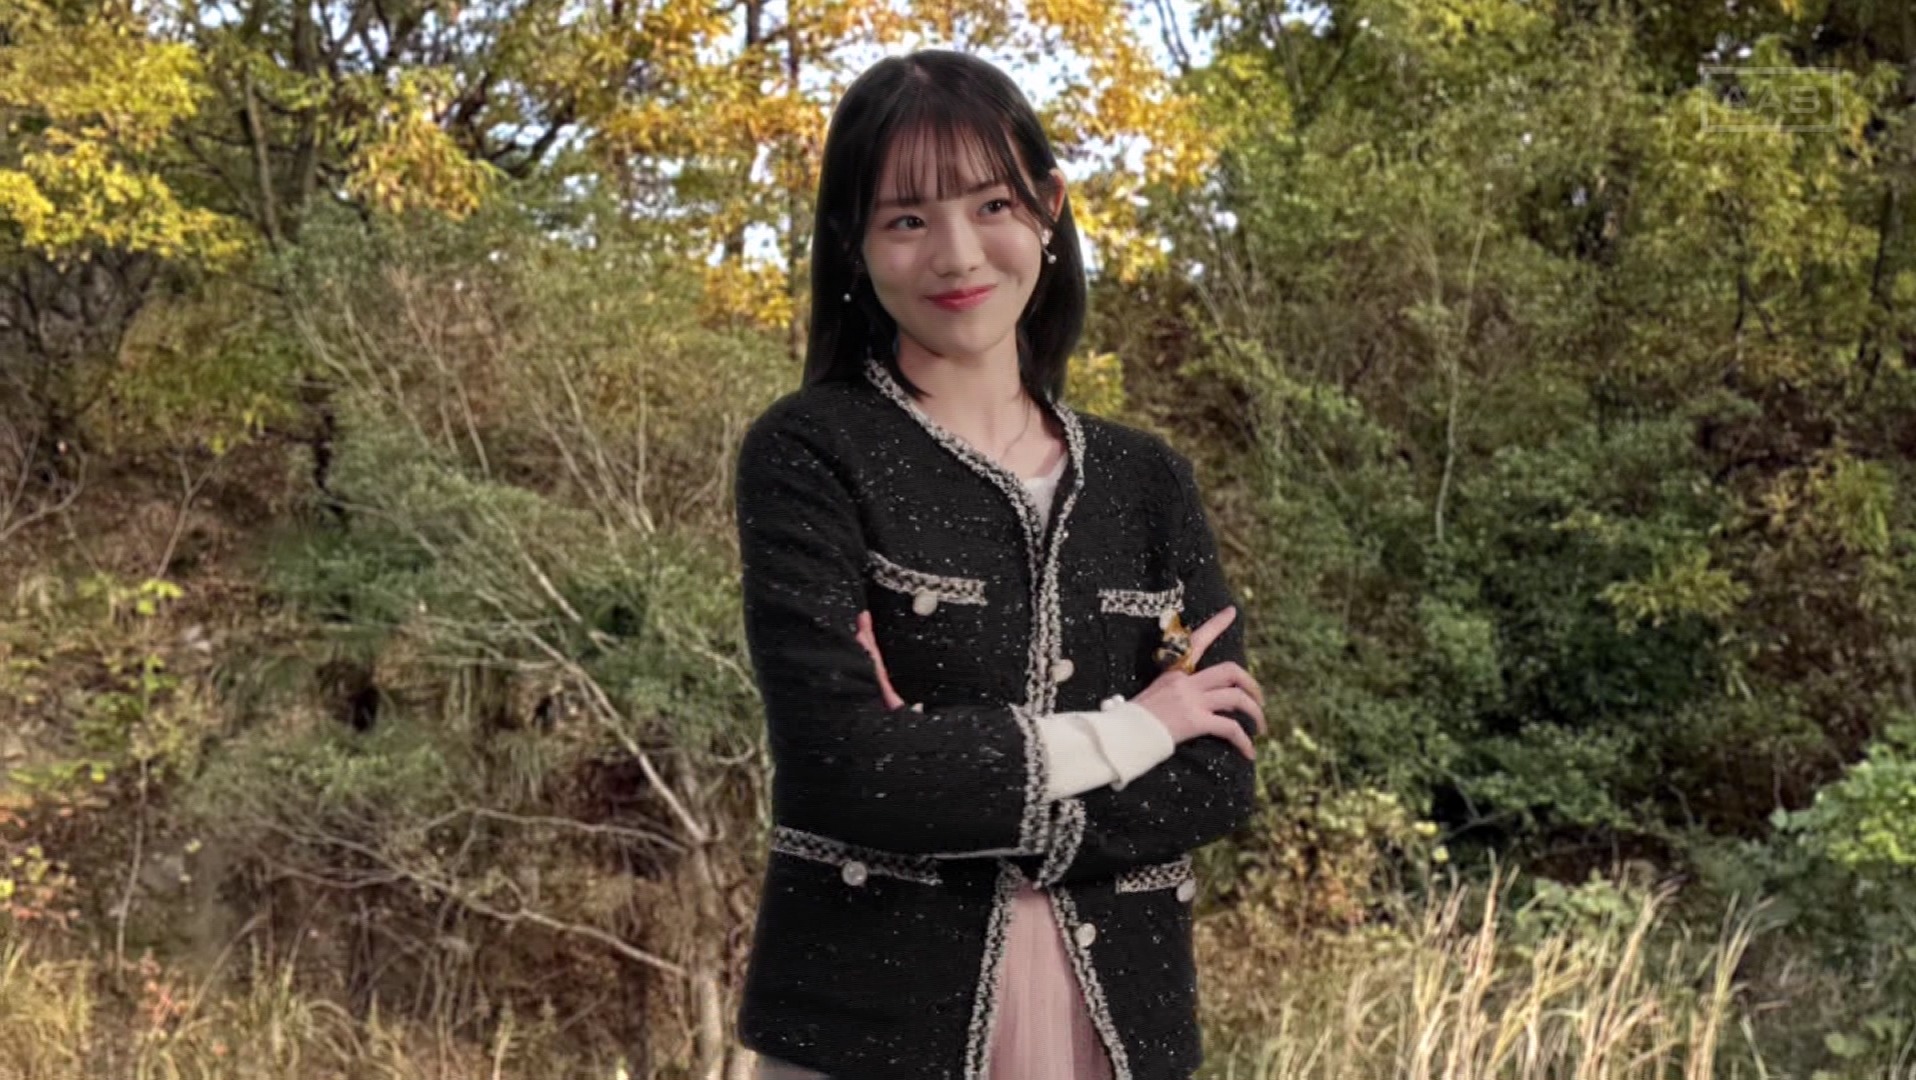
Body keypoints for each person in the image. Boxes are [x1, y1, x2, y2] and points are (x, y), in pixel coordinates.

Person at [733, 48, 1269, 1080]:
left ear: (1048, 209)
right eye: (906, 219)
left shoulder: (1146, 482)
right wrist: (1134, 730)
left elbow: (1215, 777)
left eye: (991, 205)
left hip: (1118, 1029)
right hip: (869, 1029)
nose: (956, 254)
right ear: (851, 242)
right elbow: (844, 770)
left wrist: (938, 768)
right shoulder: (810, 454)